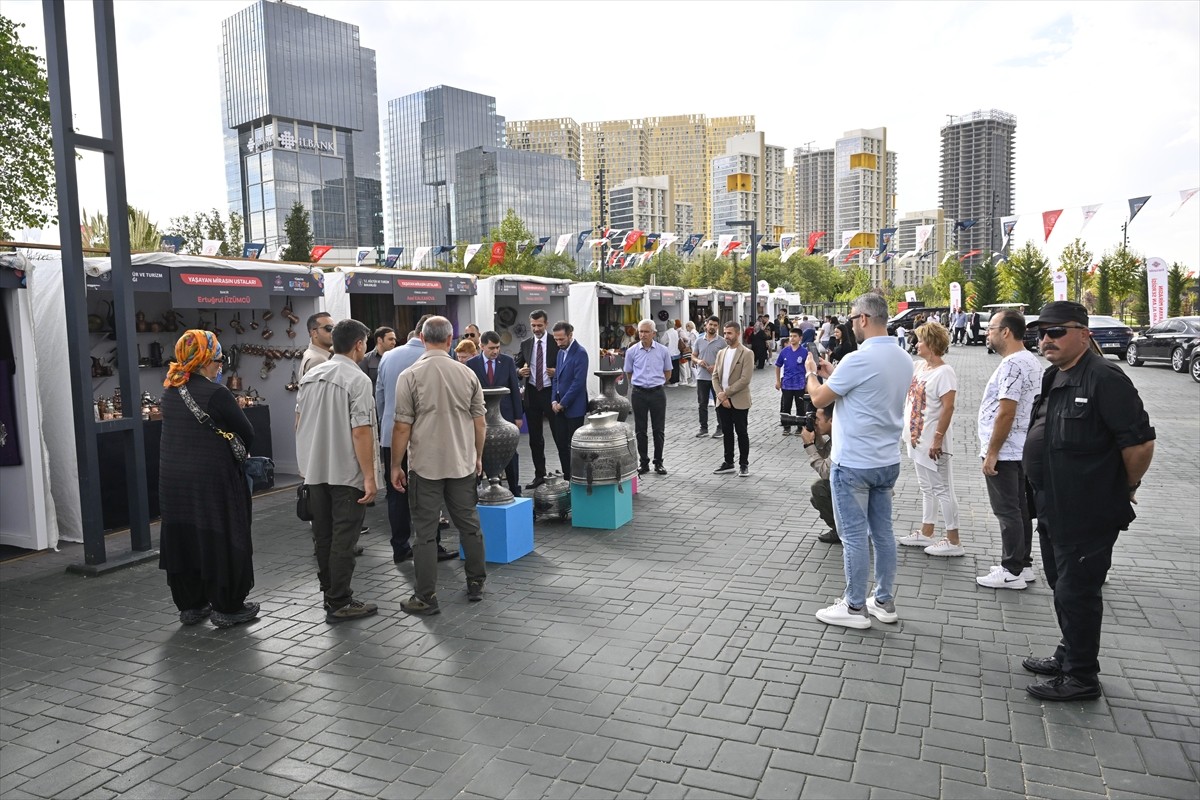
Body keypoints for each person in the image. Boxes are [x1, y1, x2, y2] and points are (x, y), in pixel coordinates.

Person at [1020, 301, 1155, 701]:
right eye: (1041, 333)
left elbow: (1140, 444)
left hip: (1087, 509)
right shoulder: (1053, 377)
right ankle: (1068, 653)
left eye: (1056, 332)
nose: (1046, 340)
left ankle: (1081, 677)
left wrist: (1123, 487)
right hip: (1051, 505)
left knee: (1078, 591)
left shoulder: (1104, 378)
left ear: (1084, 333)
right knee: (1062, 585)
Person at [806, 293, 913, 629]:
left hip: (853, 462)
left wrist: (813, 373)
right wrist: (835, 372)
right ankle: (883, 600)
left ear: (864, 318)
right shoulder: (902, 357)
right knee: (882, 533)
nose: (851, 324)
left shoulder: (858, 358)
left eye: (852, 318)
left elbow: (820, 397)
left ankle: (853, 607)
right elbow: (868, 388)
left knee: (853, 536)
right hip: (886, 459)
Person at [158, 330, 258, 629]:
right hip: (212, 480)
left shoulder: (170, 390)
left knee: (184, 535)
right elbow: (247, 432)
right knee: (222, 532)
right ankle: (227, 606)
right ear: (203, 360)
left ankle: (191, 605)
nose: (220, 366)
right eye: (217, 359)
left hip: (173, 479)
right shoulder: (217, 393)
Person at [390, 316, 488, 616]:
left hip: (425, 466)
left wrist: (396, 465)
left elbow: (402, 426)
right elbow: (480, 422)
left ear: (421, 337)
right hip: (461, 462)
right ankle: (475, 583)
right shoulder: (467, 374)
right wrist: (477, 455)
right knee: (469, 526)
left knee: (425, 533)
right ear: (450, 340)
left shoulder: (409, 375)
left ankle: (426, 596)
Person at [295, 319, 380, 623]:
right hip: (345, 471)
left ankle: (329, 591)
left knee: (324, 536)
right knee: (344, 537)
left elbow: (298, 421)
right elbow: (361, 431)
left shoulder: (311, 375)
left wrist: (305, 461)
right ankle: (340, 600)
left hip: (314, 469)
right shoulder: (357, 380)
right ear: (359, 344)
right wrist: (369, 476)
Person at [975, 310, 1043, 590]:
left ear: (1006, 331)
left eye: (990, 328)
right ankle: (1022, 564)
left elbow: (1007, 411)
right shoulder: (1030, 360)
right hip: (1019, 449)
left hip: (1006, 450)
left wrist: (992, 452)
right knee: (1019, 509)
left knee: (1007, 511)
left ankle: (1011, 569)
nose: (986, 333)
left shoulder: (1013, 365)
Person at [896, 322, 965, 557]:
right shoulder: (919, 367)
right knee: (927, 487)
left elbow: (948, 408)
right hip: (917, 439)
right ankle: (927, 530)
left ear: (933, 344)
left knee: (943, 488)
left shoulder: (945, 372)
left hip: (934, 442)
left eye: (921, 341)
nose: (917, 344)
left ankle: (953, 539)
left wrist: (938, 438)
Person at [375, 315, 431, 563]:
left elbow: (380, 397)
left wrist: (385, 424)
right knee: (428, 492)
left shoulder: (388, 356)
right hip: (424, 437)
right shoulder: (434, 358)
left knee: (395, 493)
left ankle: (400, 546)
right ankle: (430, 545)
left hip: (391, 433)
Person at [467, 331, 523, 496]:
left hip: (505, 415)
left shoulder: (507, 362)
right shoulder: (471, 365)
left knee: (511, 453)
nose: (495, 351)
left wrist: (518, 416)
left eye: (498, 347)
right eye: (491, 348)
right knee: (479, 451)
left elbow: (514, 388)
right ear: (481, 346)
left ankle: (514, 489)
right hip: (480, 416)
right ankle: (476, 490)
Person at [514, 310, 558, 489]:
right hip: (532, 393)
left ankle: (569, 474)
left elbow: (564, 366)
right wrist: (519, 372)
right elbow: (516, 365)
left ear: (546, 324)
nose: (536, 329)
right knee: (535, 439)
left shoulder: (556, 343)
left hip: (550, 393)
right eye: (533, 325)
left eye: (539, 325)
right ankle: (539, 474)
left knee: (559, 435)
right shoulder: (526, 344)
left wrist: (556, 373)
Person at [624, 319, 673, 476]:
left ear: (653, 333)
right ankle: (643, 462)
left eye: (646, 331)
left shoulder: (662, 351)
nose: (643, 334)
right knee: (640, 430)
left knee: (658, 429)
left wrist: (656, 383)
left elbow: (668, 372)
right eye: (640, 331)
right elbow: (629, 372)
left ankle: (658, 462)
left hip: (657, 393)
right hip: (639, 393)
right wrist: (639, 384)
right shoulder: (632, 351)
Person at [711, 321, 754, 477]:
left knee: (741, 432)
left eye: (729, 333)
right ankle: (728, 462)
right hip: (722, 400)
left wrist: (726, 394)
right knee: (727, 432)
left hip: (739, 401)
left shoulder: (747, 353)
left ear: (738, 334)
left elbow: (745, 380)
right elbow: (715, 376)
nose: (726, 336)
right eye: (725, 333)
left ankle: (744, 464)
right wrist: (721, 396)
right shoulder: (721, 352)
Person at [550, 321, 588, 481]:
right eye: (556, 339)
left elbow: (578, 383)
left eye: (561, 339)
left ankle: (577, 477)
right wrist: (553, 401)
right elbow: (556, 379)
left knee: (573, 446)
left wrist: (562, 403)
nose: (558, 343)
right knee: (561, 444)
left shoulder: (580, 353)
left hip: (574, 408)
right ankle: (567, 476)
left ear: (570, 335)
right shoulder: (560, 353)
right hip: (558, 406)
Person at [800, 403, 839, 544]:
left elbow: (825, 472)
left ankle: (840, 531)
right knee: (816, 498)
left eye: (817, 419)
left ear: (832, 420)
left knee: (819, 488)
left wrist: (808, 445)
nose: (815, 422)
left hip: (858, 490)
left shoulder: (840, 441)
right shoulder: (837, 435)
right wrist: (816, 438)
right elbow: (825, 456)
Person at [691, 316, 726, 439]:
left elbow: (726, 359)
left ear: (718, 327)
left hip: (717, 378)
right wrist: (698, 361)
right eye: (710, 324)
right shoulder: (699, 341)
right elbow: (693, 356)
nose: (712, 327)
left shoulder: (722, 342)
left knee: (719, 403)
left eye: (715, 325)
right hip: (702, 377)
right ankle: (703, 428)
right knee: (702, 404)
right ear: (706, 325)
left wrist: (715, 366)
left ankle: (721, 428)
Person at [775, 328, 809, 436]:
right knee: (786, 406)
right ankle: (786, 427)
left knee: (800, 407)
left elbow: (809, 369)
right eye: (791, 336)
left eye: (794, 336)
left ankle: (800, 427)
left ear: (800, 338)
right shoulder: (785, 351)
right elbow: (778, 366)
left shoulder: (805, 352)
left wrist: (807, 384)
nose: (792, 338)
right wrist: (778, 381)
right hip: (787, 384)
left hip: (800, 384)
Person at [300, 312, 333, 376]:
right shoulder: (318, 360)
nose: (333, 332)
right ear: (314, 333)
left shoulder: (312, 353)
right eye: (329, 328)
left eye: (334, 329)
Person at [660, 320, 681, 386]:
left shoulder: (667, 332)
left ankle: (672, 382)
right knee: (676, 367)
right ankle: (676, 381)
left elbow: (662, 341)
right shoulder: (676, 332)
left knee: (670, 367)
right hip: (676, 351)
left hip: (670, 352)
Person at [678, 322, 696, 386]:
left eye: (686, 327)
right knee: (691, 366)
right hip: (693, 351)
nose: (686, 329)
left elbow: (691, 343)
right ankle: (694, 380)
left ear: (689, 326)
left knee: (692, 367)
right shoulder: (694, 332)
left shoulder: (692, 333)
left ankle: (695, 381)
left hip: (692, 351)